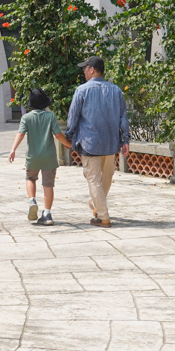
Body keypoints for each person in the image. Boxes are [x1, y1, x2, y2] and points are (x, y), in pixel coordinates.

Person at [66, 55, 129, 228]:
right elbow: (123, 116)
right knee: (106, 177)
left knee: (94, 180)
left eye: (85, 69)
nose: (84, 72)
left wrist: (69, 135)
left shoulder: (82, 90)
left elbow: (73, 117)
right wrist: (126, 140)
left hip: (89, 143)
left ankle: (103, 216)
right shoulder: (116, 90)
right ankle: (97, 206)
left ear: (92, 70)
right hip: (110, 143)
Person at [8, 88, 71, 226]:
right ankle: (47, 214)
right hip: (49, 157)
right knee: (48, 184)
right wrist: (68, 144)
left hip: (33, 156)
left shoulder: (26, 117)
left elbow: (20, 134)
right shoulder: (50, 116)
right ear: (44, 103)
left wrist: (13, 149)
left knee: (30, 178)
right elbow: (58, 135)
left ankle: (32, 201)